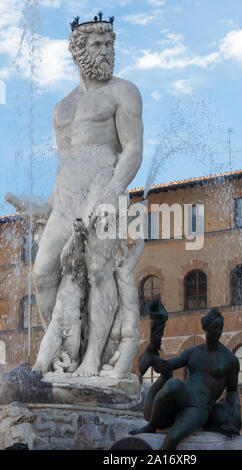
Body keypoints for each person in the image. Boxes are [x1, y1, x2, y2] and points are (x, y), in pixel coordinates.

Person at [7, 16, 143, 377]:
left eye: (109, 44)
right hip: (67, 197)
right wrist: (44, 206)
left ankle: (93, 357)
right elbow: (64, 166)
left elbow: (133, 151)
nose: (106, 51)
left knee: (98, 272)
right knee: (43, 272)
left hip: (104, 185)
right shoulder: (61, 109)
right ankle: (63, 351)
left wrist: (112, 193)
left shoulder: (123, 92)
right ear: (78, 51)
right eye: (98, 45)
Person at [131, 308, 242, 450]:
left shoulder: (230, 360)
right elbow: (168, 365)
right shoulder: (193, 352)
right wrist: (153, 356)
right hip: (184, 395)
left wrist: (235, 415)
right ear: (206, 328)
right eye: (215, 328)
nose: (219, 332)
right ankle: (151, 426)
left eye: (220, 328)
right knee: (172, 383)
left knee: (173, 437)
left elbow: (232, 391)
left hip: (199, 407)